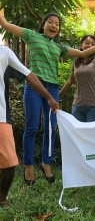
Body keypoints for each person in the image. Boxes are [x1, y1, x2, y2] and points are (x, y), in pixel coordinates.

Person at [0, 12, 95, 185]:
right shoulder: (31, 36)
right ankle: (28, 166)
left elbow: (83, 53)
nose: (54, 26)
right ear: (43, 24)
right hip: (34, 86)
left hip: (52, 88)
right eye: (51, 22)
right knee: (31, 126)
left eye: (57, 24)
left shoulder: (59, 46)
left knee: (51, 128)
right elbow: (6, 25)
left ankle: (46, 163)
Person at [0, 45, 59, 206]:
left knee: (9, 164)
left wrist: (48, 96)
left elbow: (29, 75)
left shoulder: (4, 52)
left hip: (1, 116)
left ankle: (1, 197)